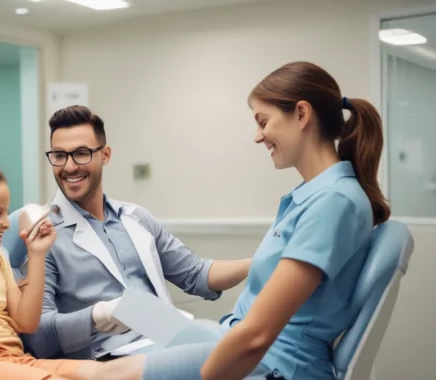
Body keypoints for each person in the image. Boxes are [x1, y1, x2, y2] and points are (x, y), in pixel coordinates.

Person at [113, 61, 392, 380]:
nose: (258, 136)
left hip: (277, 363)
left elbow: (257, 337)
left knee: (106, 374)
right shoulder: (316, 194)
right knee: (107, 363)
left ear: (301, 114)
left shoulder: (334, 201)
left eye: (263, 121)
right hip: (247, 342)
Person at [22, 105, 252, 360]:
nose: (69, 166)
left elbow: (196, 274)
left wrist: (259, 262)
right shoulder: (42, 236)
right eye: (59, 155)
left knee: (251, 342)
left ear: (105, 155)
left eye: (81, 154)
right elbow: (38, 336)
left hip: (168, 336)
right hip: (112, 357)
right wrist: (100, 315)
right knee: (234, 355)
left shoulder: (136, 218)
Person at [0, 134, 140, 380]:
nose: (5, 223)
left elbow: (27, 323)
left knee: (108, 373)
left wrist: (37, 253)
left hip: (14, 361)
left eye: (6, 212)